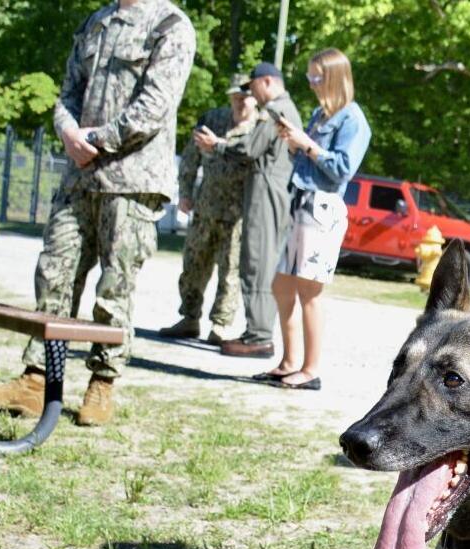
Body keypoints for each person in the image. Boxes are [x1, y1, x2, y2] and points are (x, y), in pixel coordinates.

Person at [0, 0, 195, 426]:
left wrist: (94, 139)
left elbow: (154, 105)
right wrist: (67, 131)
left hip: (131, 179)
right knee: (54, 274)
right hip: (80, 177)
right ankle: (37, 379)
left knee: (114, 288)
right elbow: (68, 93)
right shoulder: (96, 21)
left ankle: (102, 384)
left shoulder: (170, 24)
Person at [256, 48, 371, 390]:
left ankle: (311, 369)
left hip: (322, 208)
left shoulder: (352, 119)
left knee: (309, 291)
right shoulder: (320, 114)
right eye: (309, 77)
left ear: (335, 77)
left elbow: (341, 169)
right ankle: (290, 362)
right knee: (282, 285)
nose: (311, 83)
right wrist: (294, 144)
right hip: (301, 201)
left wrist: (306, 144)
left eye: (316, 77)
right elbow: (309, 162)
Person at [196, 63, 302, 359]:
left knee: (257, 261)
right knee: (260, 260)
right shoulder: (284, 109)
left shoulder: (275, 111)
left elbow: (249, 149)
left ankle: (259, 335)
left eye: (252, 86)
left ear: (266, 82)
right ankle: (257, 330)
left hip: (266, 190)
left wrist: (217, 146)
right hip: (271, 189)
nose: (250, 93)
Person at [158, 75, 258, 344]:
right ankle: (189, 318)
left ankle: (221, 325)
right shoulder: (213, 120)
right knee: (194, 264)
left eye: (245, 97)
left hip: (237, 215)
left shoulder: (260, 128)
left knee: (230, 271)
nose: (240, 103)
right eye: (235, 97)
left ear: (255, 97)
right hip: (206, 208)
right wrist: (186, 193)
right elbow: (191, 158)